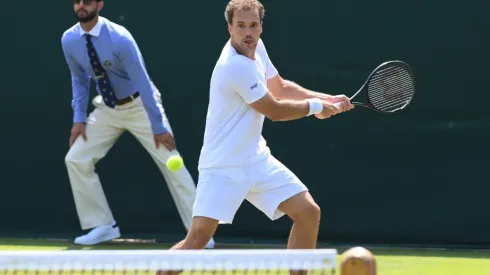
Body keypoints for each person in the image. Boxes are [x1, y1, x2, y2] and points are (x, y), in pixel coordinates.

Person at [167, 0, 353, 254]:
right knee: (197, 239)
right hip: (224, 165)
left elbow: (280, 87)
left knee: (308, 212)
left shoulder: (257, 48)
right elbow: (274, 109)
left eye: (253, 26)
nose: (248, 33)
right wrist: (316, 107)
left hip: (256, 159)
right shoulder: (234, 66)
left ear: (261, 27)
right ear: (229, 28)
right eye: (241, 26)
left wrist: (325, 98)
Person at [61, 0, 214, 249]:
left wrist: (158, 125)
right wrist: (79, 119)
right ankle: (102, 225)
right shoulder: (69, 40)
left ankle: (200, 233)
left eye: (87, 1)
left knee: (172, 164)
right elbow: (79, 80)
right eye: (77, 1)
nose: (81, 5)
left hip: (140, 105)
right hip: (107, 108)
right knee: (75, 159)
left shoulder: (120, 38)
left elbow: (143, 82)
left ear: (99, 4)